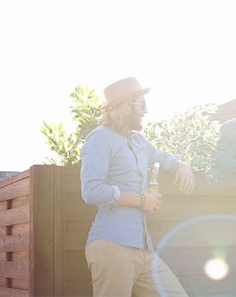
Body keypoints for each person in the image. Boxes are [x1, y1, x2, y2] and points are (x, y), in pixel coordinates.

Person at [80, 77, 194, 297]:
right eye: (142, 104)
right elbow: (91, 190)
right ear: (126, 106)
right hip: (111, 247)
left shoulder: (140, 142)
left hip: (144, 251)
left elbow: (163, 156)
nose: (146, 111)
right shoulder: (99, 138)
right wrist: (140, 200)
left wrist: (182, 165)